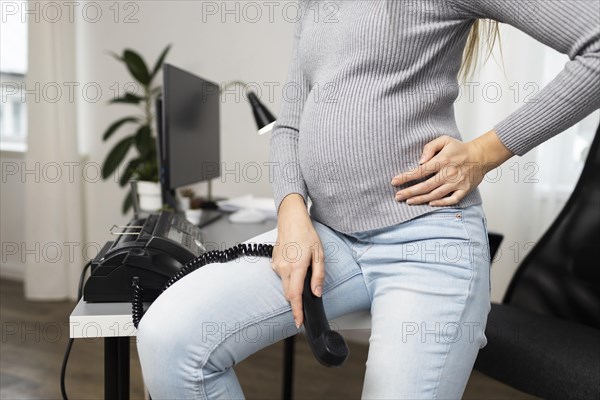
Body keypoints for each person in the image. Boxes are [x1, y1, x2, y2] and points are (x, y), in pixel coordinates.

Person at [137, 1, 599, 398]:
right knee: (169, 337)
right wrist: (291, 212)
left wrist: (484, 152)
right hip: (330, 237)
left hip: (427, 245)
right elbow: (290, 124)